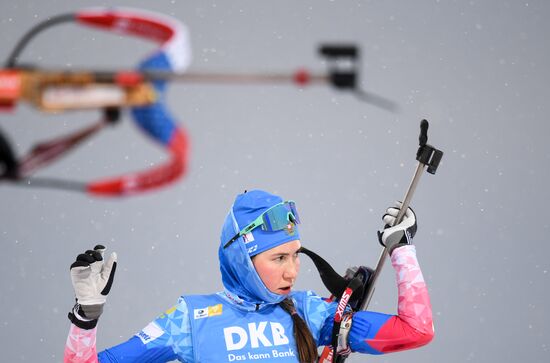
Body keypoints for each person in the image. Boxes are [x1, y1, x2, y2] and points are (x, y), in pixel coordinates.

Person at [64, 189, 434, 363]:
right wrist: (86, 317)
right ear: (242, 260)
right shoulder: (189, 319)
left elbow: (416, 331)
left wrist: (401, 250)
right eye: (278, 258)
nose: (292, 270)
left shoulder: (312, 313)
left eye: (295, 255)